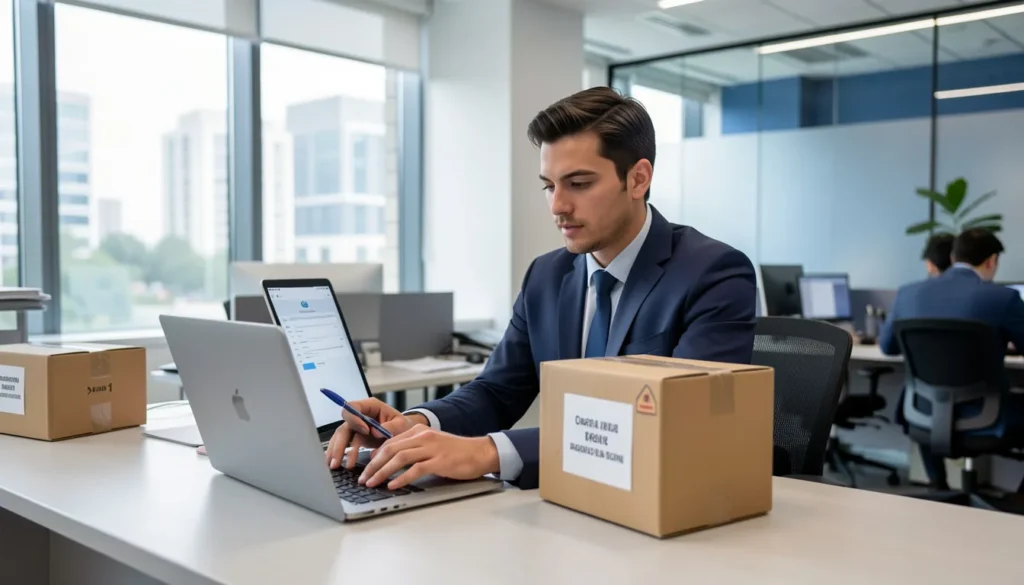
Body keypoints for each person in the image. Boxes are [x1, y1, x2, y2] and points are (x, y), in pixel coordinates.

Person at [325, 87, 757, 491]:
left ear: (638, 179)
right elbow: (497, 391)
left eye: (579, 184)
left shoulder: (712, 273)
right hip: (564, 503)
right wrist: (415, 422)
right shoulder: (547, 277)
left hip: (659, 499)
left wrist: (487, 452)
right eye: (550, 186)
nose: (558, 206)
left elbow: (677, 425)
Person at [880, 228, 1024, 490]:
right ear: (991, 261)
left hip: (922, 412)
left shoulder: (908, 293)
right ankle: (1019, 500)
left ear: (954, 255)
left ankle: (938, 486)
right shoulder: (1004, 298)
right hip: (986, 415)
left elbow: (887, 347)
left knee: (931, 396)